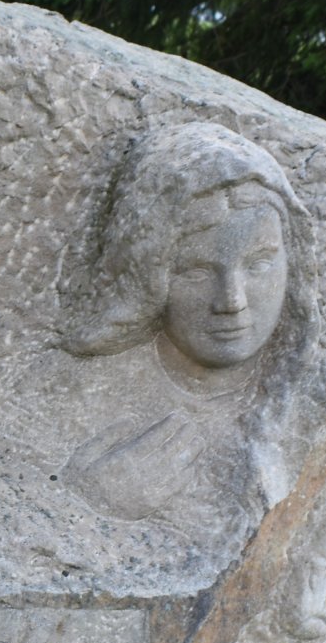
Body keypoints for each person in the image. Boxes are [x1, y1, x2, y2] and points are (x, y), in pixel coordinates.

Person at [59, 122, 311, 525]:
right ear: (148, 275)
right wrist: (95, 499)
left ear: (293, 263)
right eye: (196, 271)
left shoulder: (325, 398)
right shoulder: (75, 397)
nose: (232, 301)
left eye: (259, 264)